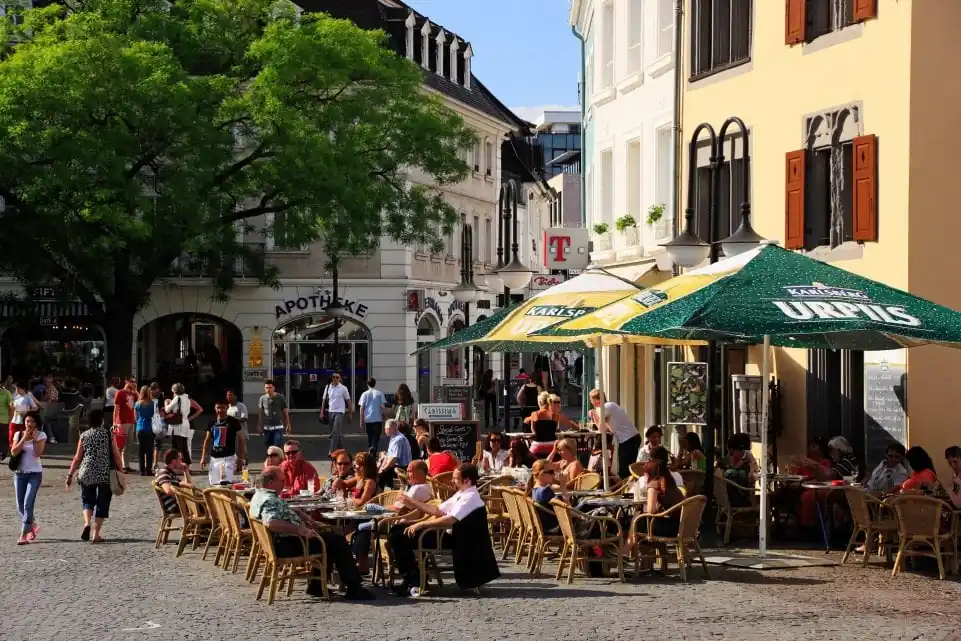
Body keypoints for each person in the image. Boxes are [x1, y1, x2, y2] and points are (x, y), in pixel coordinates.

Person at [249, 466, 374, 600]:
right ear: (271, 483)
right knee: (337, 541)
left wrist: (299, 514)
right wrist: (300, 530)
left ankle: (317, 586)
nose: (284, 483)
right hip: (287, 544)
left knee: (329, 538)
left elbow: (278, 513)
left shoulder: (260, 494)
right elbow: (272, 523)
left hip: (281, 541)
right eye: (282, 480)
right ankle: (353, 587)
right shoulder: (270, 500)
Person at [391, 463, 500, 597]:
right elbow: (438, 510)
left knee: (400, 536)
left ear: (466, 480)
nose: (452, 481)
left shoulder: (471, 497)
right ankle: (411, 577)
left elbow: (450, 519)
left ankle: (413, 579)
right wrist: (412, 503)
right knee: (397, 530)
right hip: (446, 534)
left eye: (455, 478)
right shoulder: (462, 493)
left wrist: (422, 524)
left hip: (458, 540)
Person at [352, 459, 432, 574]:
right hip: (395, 519)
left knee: (364, 520)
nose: (407, 474)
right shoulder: (417, 487)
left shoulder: (419, 488)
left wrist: (385, 508)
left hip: (396, 522)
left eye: (410, 471)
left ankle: (361, 562)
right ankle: (361, 561)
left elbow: (400, 509)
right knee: (362, 522)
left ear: (420, 472)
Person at [65, 409, 123, 542]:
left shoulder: (84, 435)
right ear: (102, 420)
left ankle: (87, 523)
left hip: (86, 472)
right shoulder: (108, 435)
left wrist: (70, 475)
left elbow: (77, 458)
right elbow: (116, 454)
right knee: (102, 503)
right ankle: (96, 534)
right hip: (104, 473)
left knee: (87, 501)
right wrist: (121, 470)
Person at [10, 411, 46, 544]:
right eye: (27, 421)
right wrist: (24, 438)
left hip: (35, 474)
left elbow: (37, 453)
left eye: (32, 421)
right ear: (24, 422)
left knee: (27, 502)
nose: (29, 424)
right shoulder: (18, 434)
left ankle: (23, 534)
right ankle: (33, 525)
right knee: (20, 505)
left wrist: (35, 439)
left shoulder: (41, 435)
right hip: (20, 474)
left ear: (36, 423)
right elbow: (14, 452)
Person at [588, 389, 641, 480]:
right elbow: (608, 429)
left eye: (592, 399)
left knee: (625, 469)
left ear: (598, 399)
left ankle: (628, 490)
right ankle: (628, 488)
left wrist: (594, 416)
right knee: (627, 468)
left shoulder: (606, 407)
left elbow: (601, 429)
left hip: (629, 439)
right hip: (630, 438)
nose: (591, 402)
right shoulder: (609, 406)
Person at [199, 400, 245, 485]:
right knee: (214, 485)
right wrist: (203, 457)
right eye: (218, 408)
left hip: (228, 458)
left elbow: (241, 439)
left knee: (225, 484)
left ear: (227, 408)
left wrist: (241, 458)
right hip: (214, 458)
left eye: (223, 408)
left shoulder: (233, 422)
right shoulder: (211, 422)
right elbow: (207, 440)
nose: (220, 410)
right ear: (215, 408)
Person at [640, 457, 686, 537]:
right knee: (637, 520)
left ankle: (626, 547)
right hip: (681, 526)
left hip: (667, 528)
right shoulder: (670, 483)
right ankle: (660, 549)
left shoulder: (654, 484)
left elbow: (651, 510)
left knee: (636, 520)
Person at [154, 449, 193, 514]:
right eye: (180, 459)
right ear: (174, 461)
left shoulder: (170, 473)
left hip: (179, 504)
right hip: (175, 506)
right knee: (206, 507)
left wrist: (186, 471)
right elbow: (168, 490)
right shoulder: (164, 473)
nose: (182, 461)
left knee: (205, 504)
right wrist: (185, 496)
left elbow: (188, 485)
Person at [321, 373, 351, 457]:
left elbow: (348, 401)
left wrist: (350, 414)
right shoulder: (328, 387)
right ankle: (341, 450)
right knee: (335, 433)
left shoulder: (343, 388)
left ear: (340, 378)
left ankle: (332, 450)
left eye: (337, 377)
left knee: (335, 431)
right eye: (333, 377)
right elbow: (324, 400)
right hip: (331, 412)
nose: (335, 379)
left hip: (340, 412)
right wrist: (321, 412)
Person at [164, 383, 193, 466]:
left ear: (174, 390)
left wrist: (166, 403)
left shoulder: (177, 398)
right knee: (184, 446)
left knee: (176, 446)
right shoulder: (187, 399)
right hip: (185, 423)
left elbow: (167, 410)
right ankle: (186, 463)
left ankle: (179, 464)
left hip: (177, 425)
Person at [377, 419, 411, 489]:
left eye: (386, 429)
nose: (385, 430)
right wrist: (381, 469)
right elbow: (388, 456)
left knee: (380, 477)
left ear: (392, 428)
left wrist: (383, 470)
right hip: (396, 465)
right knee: (380, 473)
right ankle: (386, 489)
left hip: (402, 467)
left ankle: (381, 494)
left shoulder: (398, 439)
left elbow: (393, 459)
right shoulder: (393, 437)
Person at [113, 377, 137, 473]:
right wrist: (114, 422)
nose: (133, 383)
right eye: (131, 381)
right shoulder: (120, 392)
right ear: (126, 382)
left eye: (135, 382)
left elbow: (140, 400)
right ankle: (117, 465)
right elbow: (116, 407)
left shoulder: (133, 393)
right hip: (122, 421)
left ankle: (126, 465)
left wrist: (135, 390)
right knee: (120, 445)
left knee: (129, 444)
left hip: (131, 421)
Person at [528, 459, 560, 532]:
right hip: (555, 529)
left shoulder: (533, 490)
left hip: (542, 528)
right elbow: (566, 512)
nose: (554, 474)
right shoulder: (545, 491)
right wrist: (565, 492)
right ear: (542, 474)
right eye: (551, 472)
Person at [258, 379, 290, 451]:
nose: (268, 389)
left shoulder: (280, 397)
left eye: (270, 387)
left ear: (274, 388)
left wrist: (288, 424)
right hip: (267, 427)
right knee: (268, 446)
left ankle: (280, 460)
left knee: (277, 444)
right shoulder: (262, 398)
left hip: (278, 426)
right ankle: (271, 459)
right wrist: (259, 425)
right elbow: (260, 412)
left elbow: (285, 411)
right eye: (267, 388)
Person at [358, 378, 386, 455]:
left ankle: (371, 450)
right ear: (375, 384)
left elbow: (362, 408)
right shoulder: (380, 393)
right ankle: (373, 450)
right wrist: (384, 416)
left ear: (367, 384)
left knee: (370, 436)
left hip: (368, 418)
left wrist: (361, 420)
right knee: (376, 436)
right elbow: (383, 407)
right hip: (377, 418)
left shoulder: (364, 394)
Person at [9, 381, 39, 452]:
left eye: (19, 389)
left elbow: (35, 408)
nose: (17, 391)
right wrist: (11, 406)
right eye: (16, 389)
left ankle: (21, 450)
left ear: (23, 389)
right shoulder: (15, 396)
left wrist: (27, 411)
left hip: (22, 420)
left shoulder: (27, 397)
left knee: (22, 436)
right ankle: (13, 450)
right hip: (14, 419)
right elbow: (12, 405)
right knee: (11, 436)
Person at [134, 385, 157, 476]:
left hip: (140, 428)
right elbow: (155, 415)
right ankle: (149, 470)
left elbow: (135, 417)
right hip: (149, 428)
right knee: (149, 451)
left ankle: (142, 470)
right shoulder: (152, 404)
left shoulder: (137, 404)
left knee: (141, 450)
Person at [225, 390, 249, 461]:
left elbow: (245, 418)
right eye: (227, 395)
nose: (228, 397)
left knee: (242, 450)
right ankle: (235, 466)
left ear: (235, 397)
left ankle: (244, 464)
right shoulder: (227, 407)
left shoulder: (241, 406)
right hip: (230, 433)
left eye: (230, 395)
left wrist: (233, 421)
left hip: (241, 432)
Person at [0, 380, 11, 460]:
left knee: (3, 437)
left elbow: (11, 406)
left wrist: (10, 418)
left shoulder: (6, 393)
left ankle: (3, 453)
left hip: (4, 419)